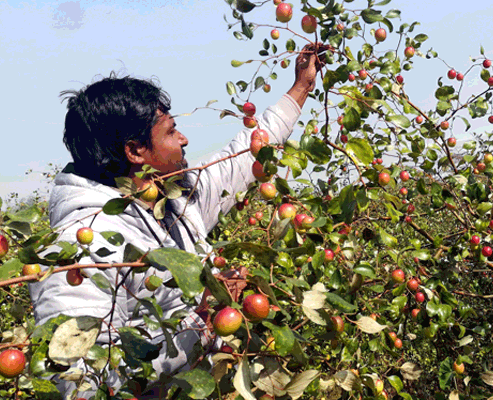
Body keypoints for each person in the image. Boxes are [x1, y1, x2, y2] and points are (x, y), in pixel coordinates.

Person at [28, 43, 327, 399]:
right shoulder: (84, 246)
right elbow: (83, 382)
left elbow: (244, 155)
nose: (184, 139)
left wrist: (302, 87)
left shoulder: (177, 199)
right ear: (135, 151)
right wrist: (202, 323)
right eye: (171, 131)